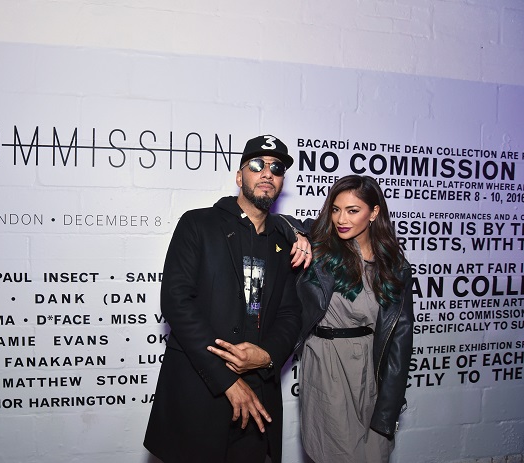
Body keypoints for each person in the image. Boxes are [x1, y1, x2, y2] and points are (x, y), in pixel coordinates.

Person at [144, 135, 312, 463]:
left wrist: (266, 356)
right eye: (256, 165)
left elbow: (292, 312)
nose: (267, 173)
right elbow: (177, 302)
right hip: (199, 393)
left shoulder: (284, 240)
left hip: (257, 402)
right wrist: (227, 379)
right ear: (239, 177)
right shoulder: (198, 223)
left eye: (276, 168)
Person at [282, 174, 413, 463]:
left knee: (373, 451)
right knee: (335, 452)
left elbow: (400, 341)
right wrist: (299, 236)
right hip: (326, 361)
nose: (342, 218)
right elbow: (281, 223)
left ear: (374, 212)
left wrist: (388, 411)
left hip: (371, 363)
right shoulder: (323, 248)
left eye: (353, 210)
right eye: (336, 209)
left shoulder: (394, 265)